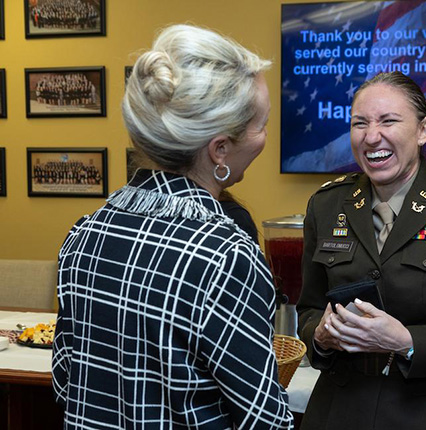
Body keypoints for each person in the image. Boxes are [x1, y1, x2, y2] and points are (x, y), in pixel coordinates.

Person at [52, 24, 293, 429]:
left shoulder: (84, 233)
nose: (264, 137)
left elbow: (65, 379)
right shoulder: (225, 253)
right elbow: (262, 418)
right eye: (262, 124)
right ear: (220, 149)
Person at [297, 71, 426, 429]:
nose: (372, 137)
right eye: (360, 124)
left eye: (388, 121)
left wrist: (408, 341)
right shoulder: (326, 205)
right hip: (338, 410)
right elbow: (309, 308)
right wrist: (321, 336)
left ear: (423, 131)